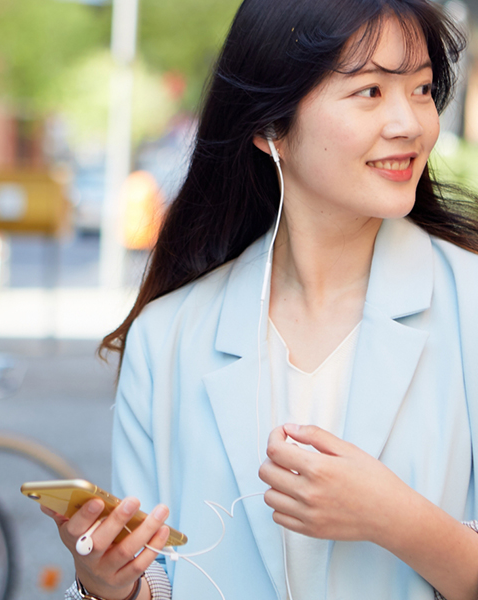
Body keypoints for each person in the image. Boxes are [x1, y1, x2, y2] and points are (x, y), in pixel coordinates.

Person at [40, 0, 478, 599]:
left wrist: (395, 517)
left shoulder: (469, 304)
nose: (410, 122)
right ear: (270, 125)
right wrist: (106, 585)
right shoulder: (168, 337)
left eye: (423, 88)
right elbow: (161, 580)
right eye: (371, 91)